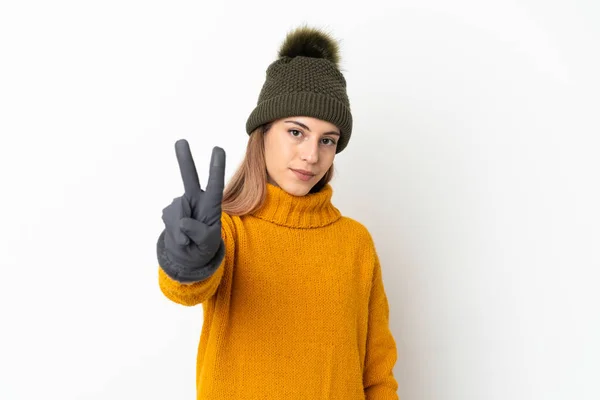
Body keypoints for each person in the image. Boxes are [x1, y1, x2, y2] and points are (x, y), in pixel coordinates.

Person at [156, 25, 399, 399]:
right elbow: (184, 291)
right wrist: (184, 261)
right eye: (296, 132)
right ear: (263, 131)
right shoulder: (228, 232)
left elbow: (377, 375)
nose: (311, 155)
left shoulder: (355, 243)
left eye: (327, 140)